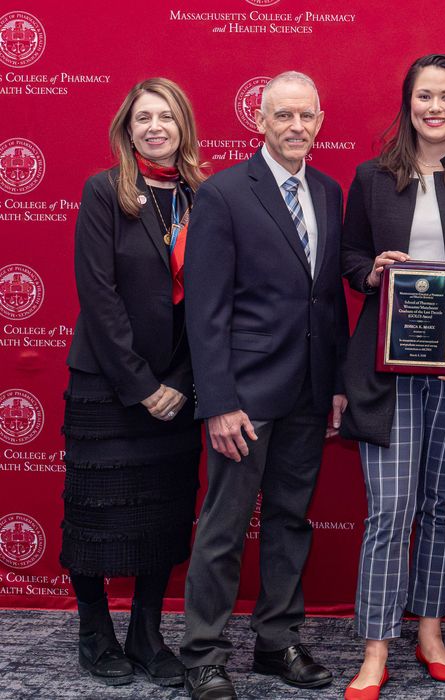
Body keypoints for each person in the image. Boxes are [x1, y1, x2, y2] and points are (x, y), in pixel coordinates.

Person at [338, 54, 445, 700]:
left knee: (442, 508)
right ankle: (376, 645)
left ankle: (431, 632)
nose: (433, 108)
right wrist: (374, 273)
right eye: (422, 97)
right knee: (389, 510)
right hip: (387, 371)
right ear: (406, 103)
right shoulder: (372, 176)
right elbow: (350, 256)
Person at [180, 71, 348, 700]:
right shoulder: (223, 193)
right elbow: (205, 308)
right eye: (283, 116)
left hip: (307, 392)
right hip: (244, 398)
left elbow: (327, 300)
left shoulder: (329, 192)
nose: (295, 127)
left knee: (289, 521)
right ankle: (202, 652)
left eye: (306, 116)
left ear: (320, 121)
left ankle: (277, 642)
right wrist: (218, 402)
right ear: (260, 120)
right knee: (223, 526)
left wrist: (332, 384)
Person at [62, 77, 207, 688]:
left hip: (178, 386)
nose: (155, 127)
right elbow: (99, 296)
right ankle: (94, 631)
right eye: (143, 117)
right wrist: (141, 383)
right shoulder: (105, 192)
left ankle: (146, 634)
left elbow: (212, 301)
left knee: (163, 512)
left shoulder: (205, 197)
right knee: (97, 513)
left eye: (166, 117)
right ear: (128, 128)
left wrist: (177, 379)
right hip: (109, 384)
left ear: (184, 127)